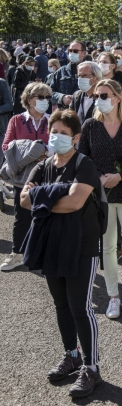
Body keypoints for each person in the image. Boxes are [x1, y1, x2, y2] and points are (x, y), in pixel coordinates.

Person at [20, 109, 103, 397]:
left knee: (81, 307)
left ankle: (92, 369)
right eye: (53, 132)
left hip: (82, 244)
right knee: (61, 304)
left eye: (63, 134)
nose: (56, 137)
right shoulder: (43, 166)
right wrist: (57, 193)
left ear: (76, 138)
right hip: (51, 243)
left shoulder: (85, 165)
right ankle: (72, 354)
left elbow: (75, 202)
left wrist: (43, 196)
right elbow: (23, 199)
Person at [78, 79, 122, 319]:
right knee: (107, 248)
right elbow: (83, 159)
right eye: (98, 96)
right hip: (102, 198)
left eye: (104, 95)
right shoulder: (90, 126)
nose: (100, 100)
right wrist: (99, 178)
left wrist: (120, 175)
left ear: (118, 98)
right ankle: (114, 298)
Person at [1, 82, 52, 271]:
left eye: (48, 97)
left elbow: (60, 142)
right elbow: (6, 145)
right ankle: (18, 253)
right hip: (22, 175)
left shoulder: (53, 119)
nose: (45, 101)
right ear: (30, 100)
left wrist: (45, 152)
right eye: (41, 97)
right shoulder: (16, 120)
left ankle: (43, 252)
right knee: (21, 216)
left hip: (47, 172)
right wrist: (28, 151)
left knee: (46, 213)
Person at [51, 40, 87, 108]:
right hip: (64, 112)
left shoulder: (91, 70)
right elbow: (50, 92)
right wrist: (62, 98)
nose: (72, 53)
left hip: (84, 112)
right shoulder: (61, 71)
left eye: (75, 51)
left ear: (84, 53)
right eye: (70, 51)